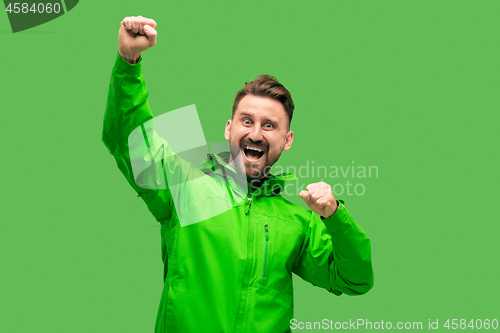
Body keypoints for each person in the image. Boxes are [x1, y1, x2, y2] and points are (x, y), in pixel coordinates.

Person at [102, 16, 374, 333]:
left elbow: (356, 280)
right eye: (247, 121)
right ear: (229, 128)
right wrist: (128, 62)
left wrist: (334, 215)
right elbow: (132, 141)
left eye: (269, 125)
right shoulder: (184, 186)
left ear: (287, 140)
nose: (256, 134)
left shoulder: (298, 222)